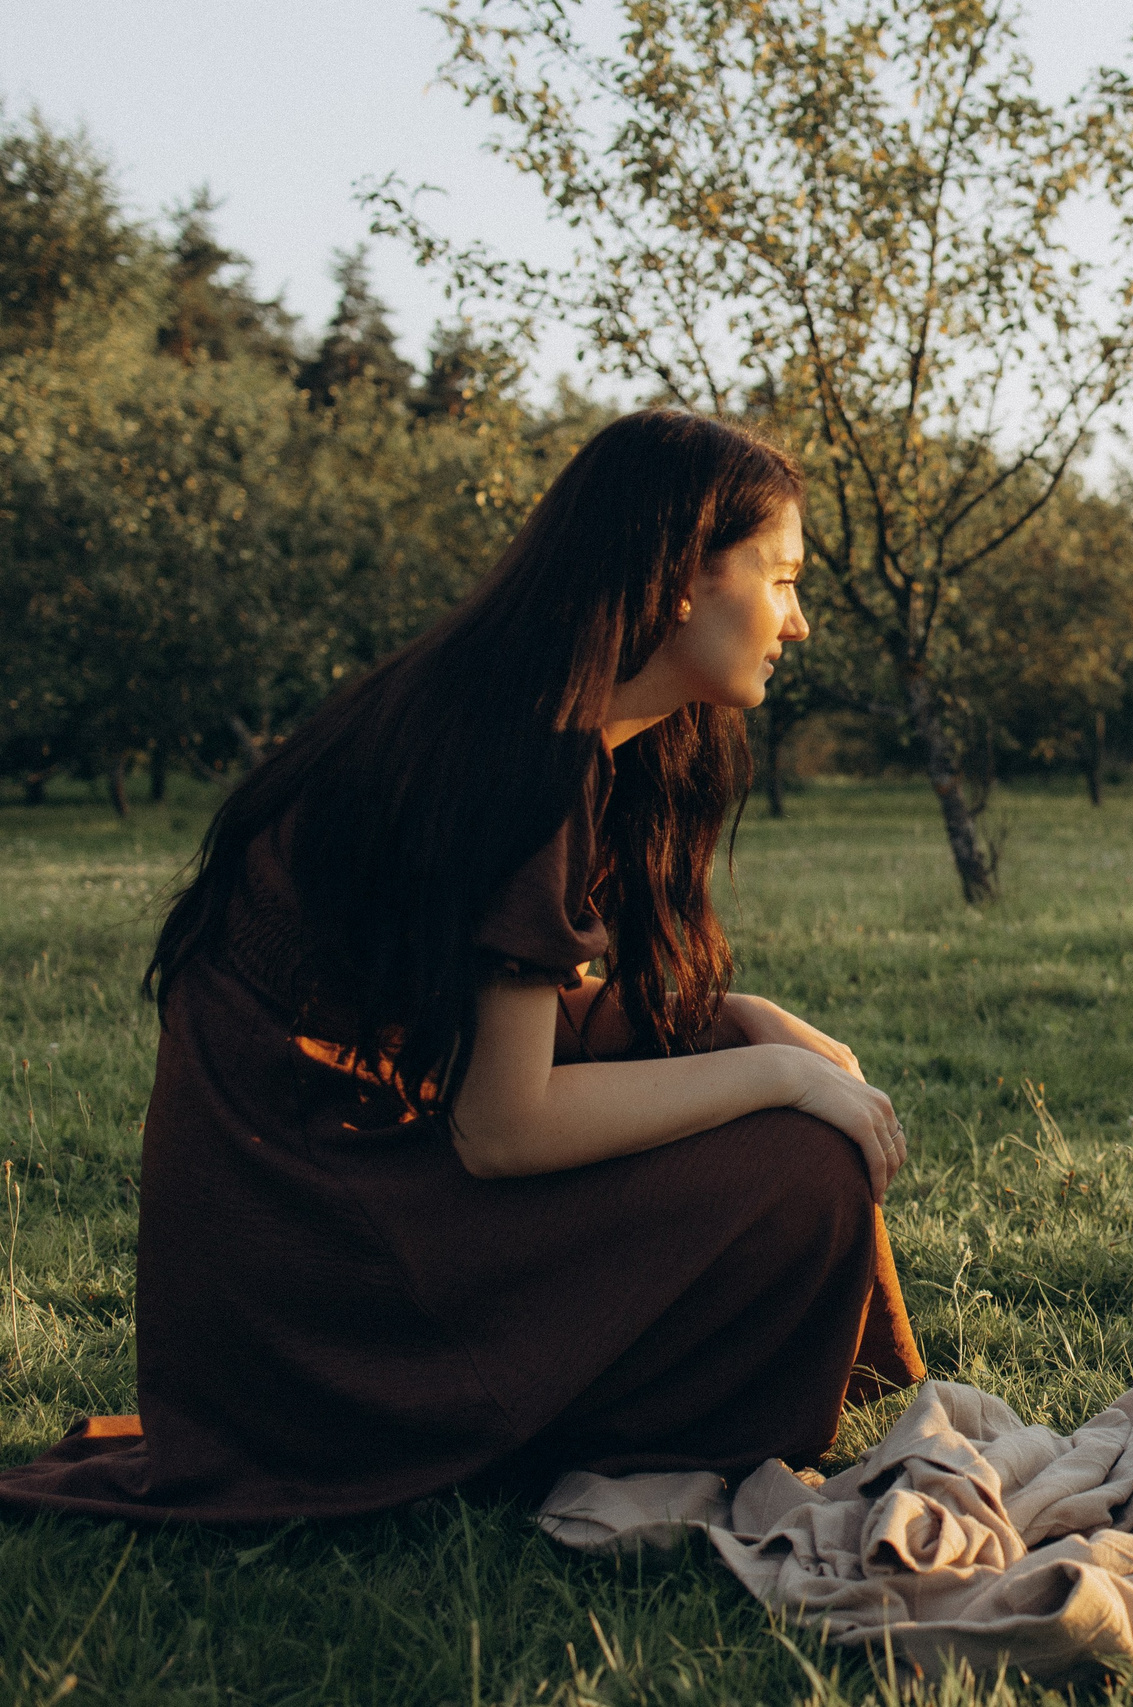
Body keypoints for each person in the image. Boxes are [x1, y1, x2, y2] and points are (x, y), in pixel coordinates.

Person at [0, 410, 923, 1523]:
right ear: (683, 576)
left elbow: (505, 1011)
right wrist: (778, 1078)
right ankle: (607, 1426)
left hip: (322, 1204)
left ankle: (604, 1398)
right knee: (801, 1156)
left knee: (723, 1056)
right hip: (320, 1273)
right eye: (779, 578)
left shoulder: (548, 721)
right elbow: (504, 1129)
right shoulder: (528, 759)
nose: (800, 622)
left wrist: (735, 1014)